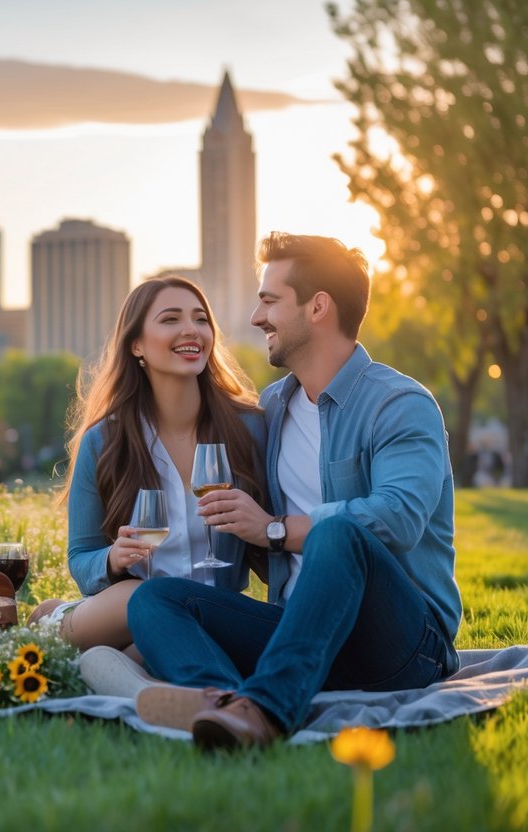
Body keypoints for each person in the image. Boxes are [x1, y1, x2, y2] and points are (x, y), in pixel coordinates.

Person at [129, 232, 462, 749]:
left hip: (403, 644)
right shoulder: (275, 407)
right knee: (155, 600)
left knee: (340, 534)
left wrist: (274, 529)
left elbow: (397, 518)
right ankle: (221, 703)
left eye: (269, 301)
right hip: (301, 629)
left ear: (318, 307)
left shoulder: (400, 404)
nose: (256, 317)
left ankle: (264, 711)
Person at [33, 274, 267, 661]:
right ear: (137, 344)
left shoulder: (250, 429)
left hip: (209, 612)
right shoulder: (104, 441)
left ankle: (103, 659)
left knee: (147, 651)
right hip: (127, 602)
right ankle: (55, 622)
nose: (191, 329)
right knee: (145, 597)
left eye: (201, 319)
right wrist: (112, 558)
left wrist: (263, 525)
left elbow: (276, 546)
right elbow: (82, 556)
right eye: (171, 319)